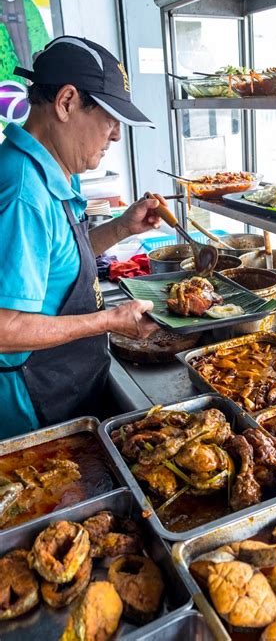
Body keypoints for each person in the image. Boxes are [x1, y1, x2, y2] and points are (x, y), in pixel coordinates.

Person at [0, 35, 166, 438]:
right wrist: (109, 320)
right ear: (67, 102)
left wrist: (121, 228)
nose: (115, 136)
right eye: (110, 119)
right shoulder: (24, 192)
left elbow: (57, 263)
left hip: (62, 387)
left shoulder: (48, 173)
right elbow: (4, 328)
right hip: (32, 407)